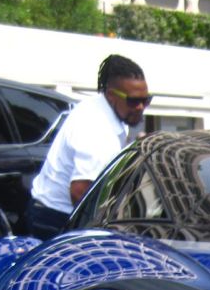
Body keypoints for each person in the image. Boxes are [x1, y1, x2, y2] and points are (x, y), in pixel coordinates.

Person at [24, 55, 150, 239]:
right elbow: (80, 191)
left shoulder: (106, 110)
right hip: (57, 219)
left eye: (146, 100)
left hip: (50, 211)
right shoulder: (96, 128)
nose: (140, 107)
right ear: (112, 96)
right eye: (133, 101)